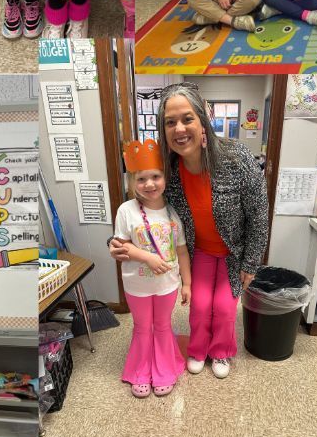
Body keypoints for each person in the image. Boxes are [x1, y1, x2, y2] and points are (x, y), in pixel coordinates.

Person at [112, 83, 269, 380]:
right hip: (197, 252)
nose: (179, 129)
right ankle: (197, 349)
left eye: (187, 119)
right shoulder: (168, 170)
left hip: (233, 253)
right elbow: (145, 206)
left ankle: (221, 350)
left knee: (225, 308)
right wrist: (117, 240)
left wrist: (251, 263)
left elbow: (259, 214)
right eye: (170, 122)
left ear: (202, 120)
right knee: (199, 305)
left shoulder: (236, 158)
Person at [111, 139, 191, 398]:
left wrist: (187, 284)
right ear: (132, 182)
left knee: (163, 326)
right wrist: (147, 257)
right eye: (141, 179)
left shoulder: (172, 213)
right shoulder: (126, 210)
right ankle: (141, 372)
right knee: (143, 327)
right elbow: (121, 246)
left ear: (165, 177)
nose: (149, 184)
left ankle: (164, 370)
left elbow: (182, 251)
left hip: (167, 284)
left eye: (155, 176)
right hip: (137, 285)